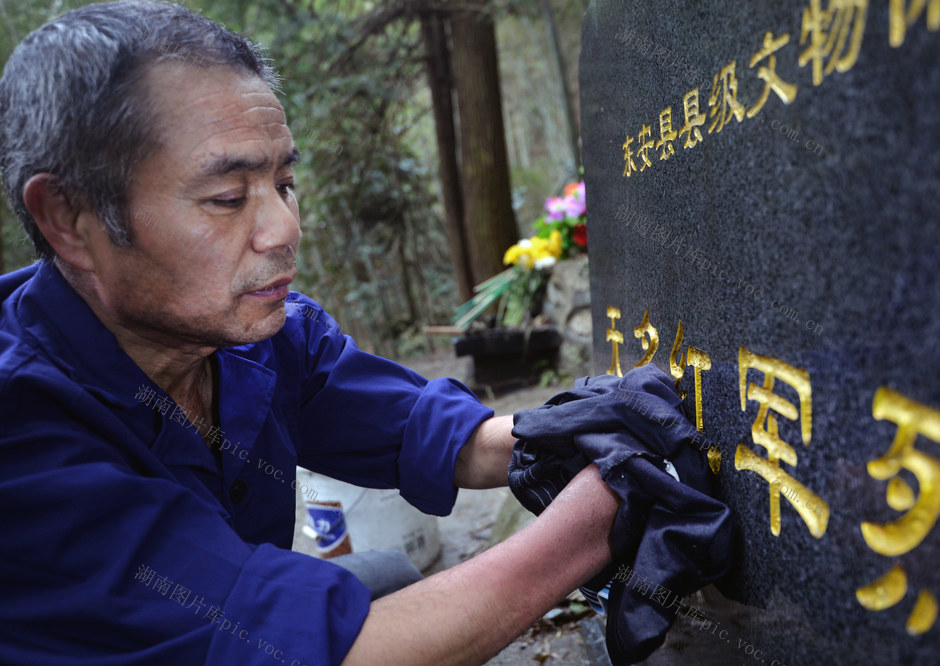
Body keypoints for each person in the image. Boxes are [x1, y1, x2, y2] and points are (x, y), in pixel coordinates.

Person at [0, 2, 620, 663]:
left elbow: (414, 427)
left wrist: (554, 436)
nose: (286, 229)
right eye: (228, 199)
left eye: (285, 183)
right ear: (68, 217)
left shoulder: (256, 334)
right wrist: (598, 517)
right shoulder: (22, 431)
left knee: (389, 580)